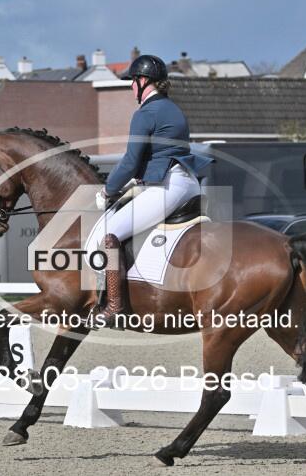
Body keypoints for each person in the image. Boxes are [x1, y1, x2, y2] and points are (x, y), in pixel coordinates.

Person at [85, 54, 214, 328]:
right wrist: (135, 183)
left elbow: (130, 161)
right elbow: (157, 157)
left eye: (133, 81)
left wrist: (108, 190)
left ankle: (114, 306)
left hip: (167, 187)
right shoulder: (173, 109)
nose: (132, 86)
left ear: (143, 81)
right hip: (186, 182)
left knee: (109, 233)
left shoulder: (145, 113)